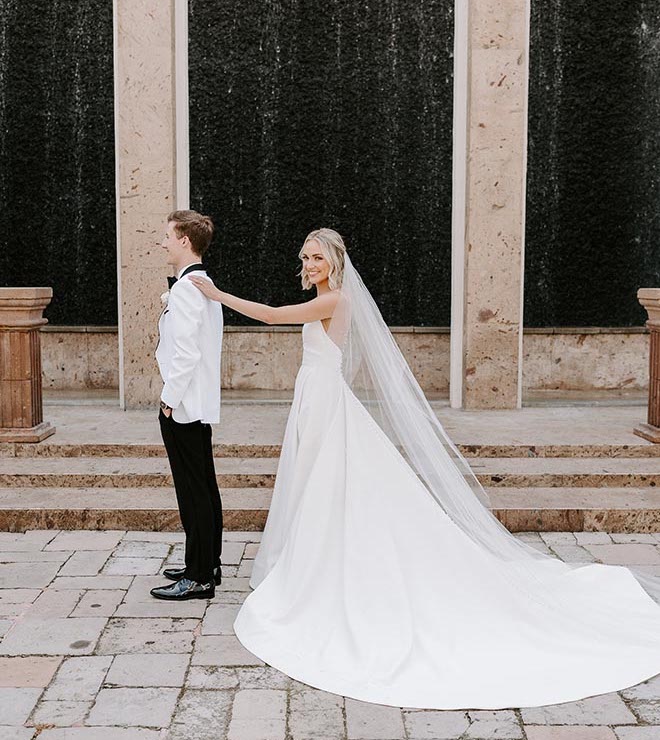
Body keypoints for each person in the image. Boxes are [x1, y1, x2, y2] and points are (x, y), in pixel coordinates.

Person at [190, 227, 660, 709]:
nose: (309, 265)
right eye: (305, 257)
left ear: (335, 262)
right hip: (317, 397)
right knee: (318, 485)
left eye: (317, 258)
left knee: (327, 485)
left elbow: (271, 316)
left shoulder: (334, 301)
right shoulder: (331, 299)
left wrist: (216, 293)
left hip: (324, 402)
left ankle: (325, 571)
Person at [151, 210, 224, 601]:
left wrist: (168, 400)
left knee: (193, 491)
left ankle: (198, 577)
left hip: (183, 405)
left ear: (184, 241)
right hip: (194, 403)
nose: (162, 242)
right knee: (204, 487)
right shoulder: (200, 284)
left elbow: (186, 353)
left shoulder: (186, 289)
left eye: (167, 235)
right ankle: (207, 562)